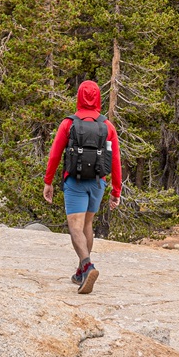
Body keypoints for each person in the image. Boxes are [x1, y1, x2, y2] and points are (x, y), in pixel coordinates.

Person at [43, 80, 122, 293]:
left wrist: (48, 181)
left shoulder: (68, 124)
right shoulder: (107, 126)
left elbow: (55, 154)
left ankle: (87, 266)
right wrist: (116, 190)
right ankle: (80, 273)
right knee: (87, 225)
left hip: (74, 181)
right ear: (98, 98)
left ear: (78, 96)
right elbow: (115, 159)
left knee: (75, 227)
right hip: (97, 183)